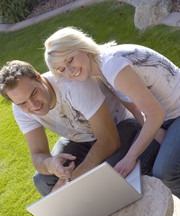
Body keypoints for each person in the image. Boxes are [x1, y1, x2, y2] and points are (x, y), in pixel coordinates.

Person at [44, 26, 180, 198]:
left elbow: (156, 115)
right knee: (141, 166)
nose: (69, 71)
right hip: (166, 117)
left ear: (81, 47)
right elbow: (136, 110)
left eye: (70, 60)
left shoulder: (112, 66)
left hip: (175, 112)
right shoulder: (100, 71)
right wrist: (160, 136)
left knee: (165, 170)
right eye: (61, 69)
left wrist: (130, 156)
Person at [0, 60, 156, 196]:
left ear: (39, 77)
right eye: (22, 103)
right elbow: (38, 155)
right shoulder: (20, 109)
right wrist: (51, 165)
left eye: (34, 93)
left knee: (106, 176)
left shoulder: (72, 86)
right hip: (81, 138)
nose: (33, 105)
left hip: (120, 126)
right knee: (42, 180)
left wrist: (70, 182)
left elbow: (109, 141)